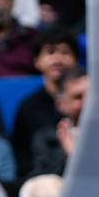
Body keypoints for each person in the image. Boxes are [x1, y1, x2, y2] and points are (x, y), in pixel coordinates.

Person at [11, 29, 79, 177]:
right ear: (37, 62)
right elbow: (22, 160)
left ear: (76, 60)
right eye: (50, 52)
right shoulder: (27, 106)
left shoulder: (88, 103)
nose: (58, 59)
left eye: (64, 52)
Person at [29, 66, 87, 177]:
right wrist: (71, 157)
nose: (87, 102)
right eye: (78, 97)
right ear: (60, 104)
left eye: (92, 95)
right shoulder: (47, 139)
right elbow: (46, 181)